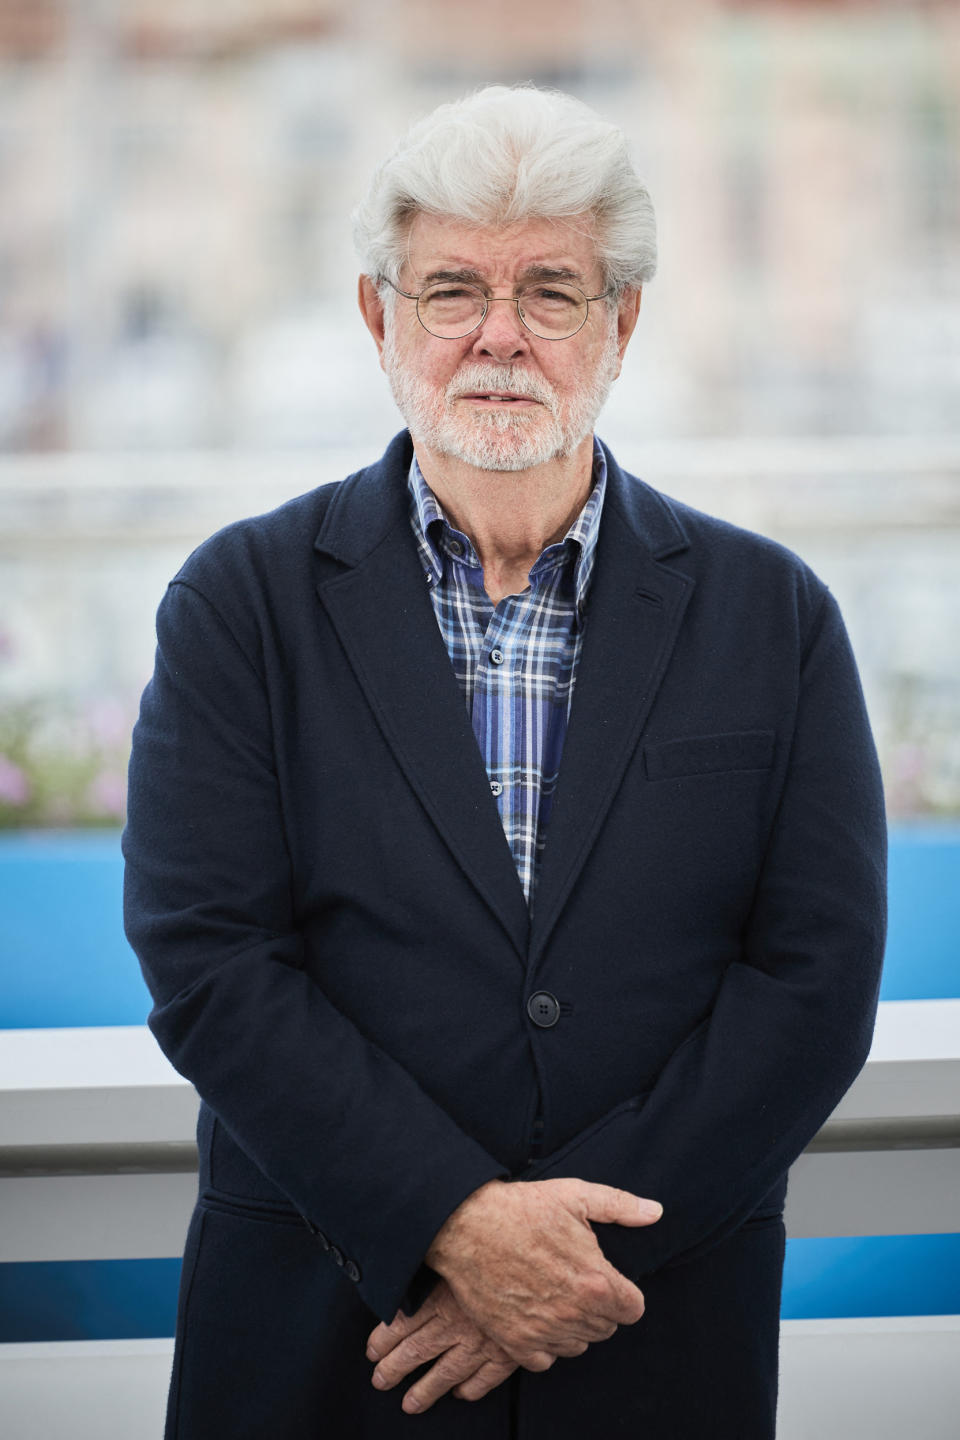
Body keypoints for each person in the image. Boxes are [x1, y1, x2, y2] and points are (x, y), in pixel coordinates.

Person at [122, 85, 887, 1439]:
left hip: (652, 1340)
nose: (498, 335)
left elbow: (811, 983)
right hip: (329, 1338)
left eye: (550, 290)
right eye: (452, 289)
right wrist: (455, 1228)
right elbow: (211, 962)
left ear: (622, 323)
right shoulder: (238, 601)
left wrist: (560, 1265)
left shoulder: (774, 614)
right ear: (379, 318)